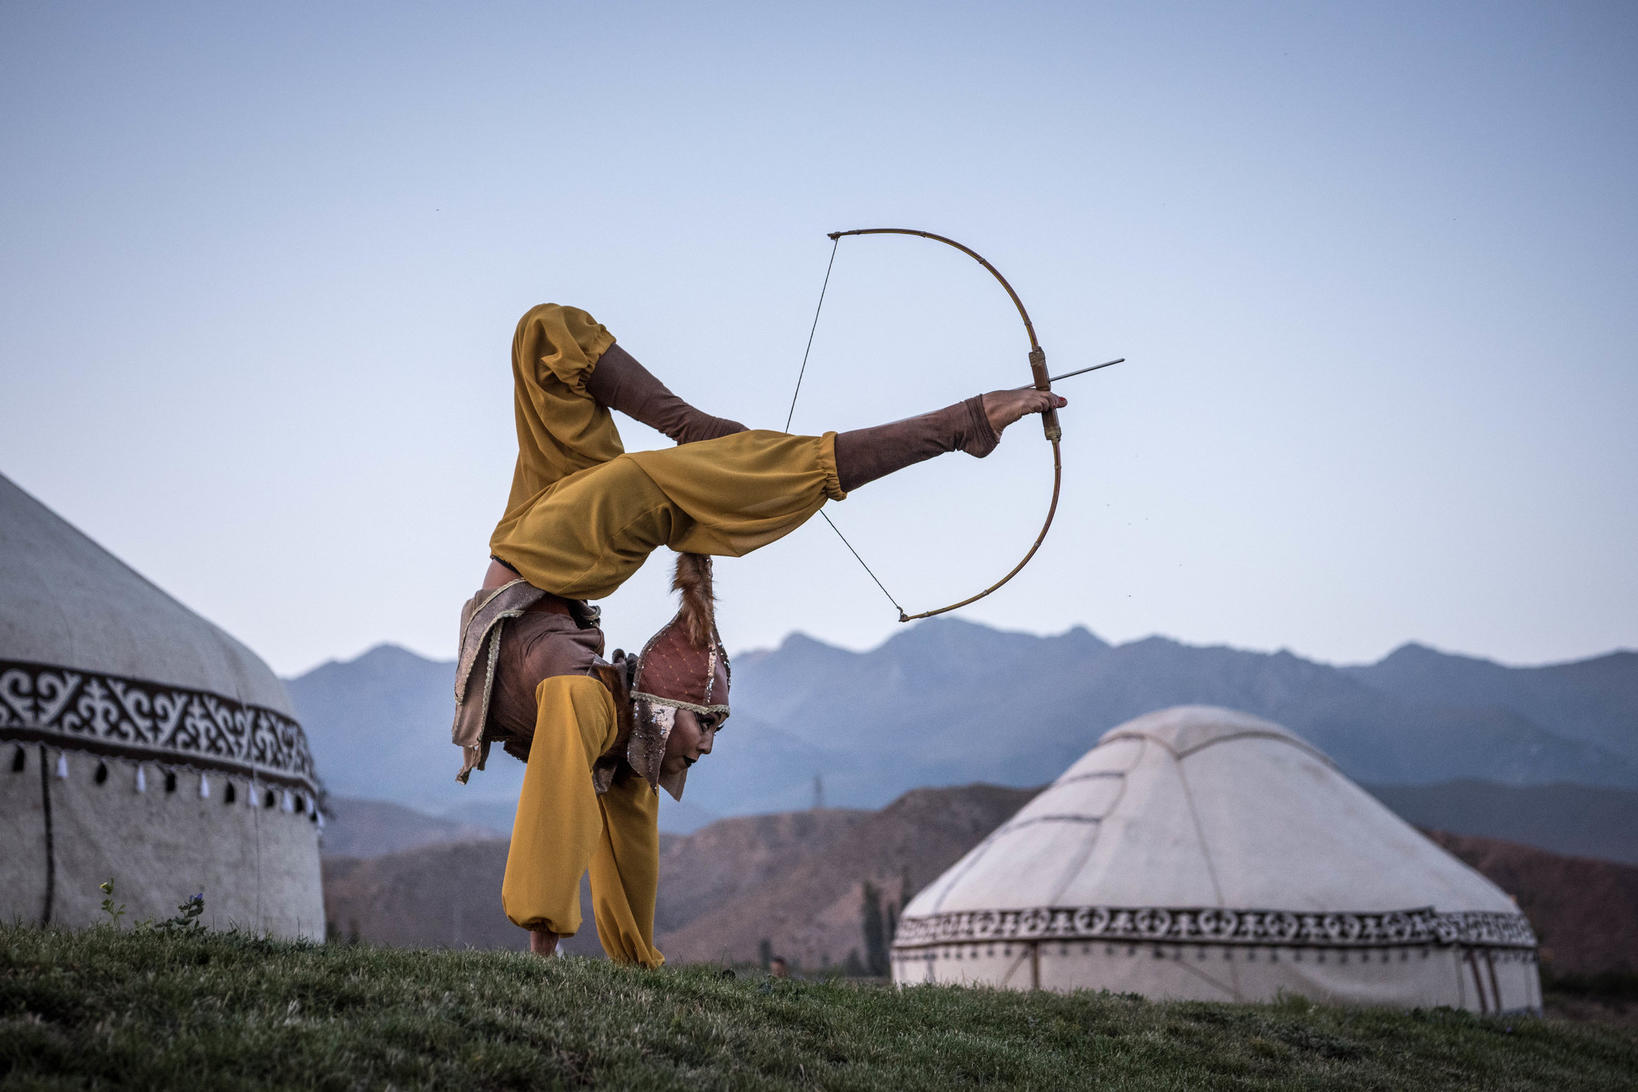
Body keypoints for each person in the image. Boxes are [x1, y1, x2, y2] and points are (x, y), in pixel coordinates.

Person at [451, 303, 1065, 967]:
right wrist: (543, 934)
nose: (709, 745)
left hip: (544, 578)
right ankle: (959, 425)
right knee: (704, 464)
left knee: (552, 346)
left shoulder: (613, 716)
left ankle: (633, 957)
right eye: (708, 721)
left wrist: (634, 961)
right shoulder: (594, 687)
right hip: (546, 566)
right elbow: (571, 711)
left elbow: (611, 782)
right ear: (670, 705)